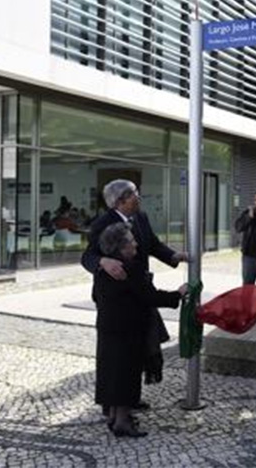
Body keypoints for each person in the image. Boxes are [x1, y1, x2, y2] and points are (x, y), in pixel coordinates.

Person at [81, 179, 188, 410]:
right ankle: (111, 405)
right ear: (120, 201)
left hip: (140, 291)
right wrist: (102, 261)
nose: (139, 197)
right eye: (134, 194)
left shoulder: (141, 217)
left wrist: (174, 256)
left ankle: (130, 397)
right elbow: (87, 256)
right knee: (116, 353)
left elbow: (153, 244)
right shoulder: (103, 223)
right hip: (117, 299)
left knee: (140, 347)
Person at [94, 222, 188, 437]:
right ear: (120, 247)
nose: (136, 244)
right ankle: (122, 421)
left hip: (108, 326)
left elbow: (95, 296)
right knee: (127, 373)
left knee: (112, 372)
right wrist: (178, 293)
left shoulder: (104, 269)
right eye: (131, 241)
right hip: (130, 328)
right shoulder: (130, 268)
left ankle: (114, 416)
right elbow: (149, 296)